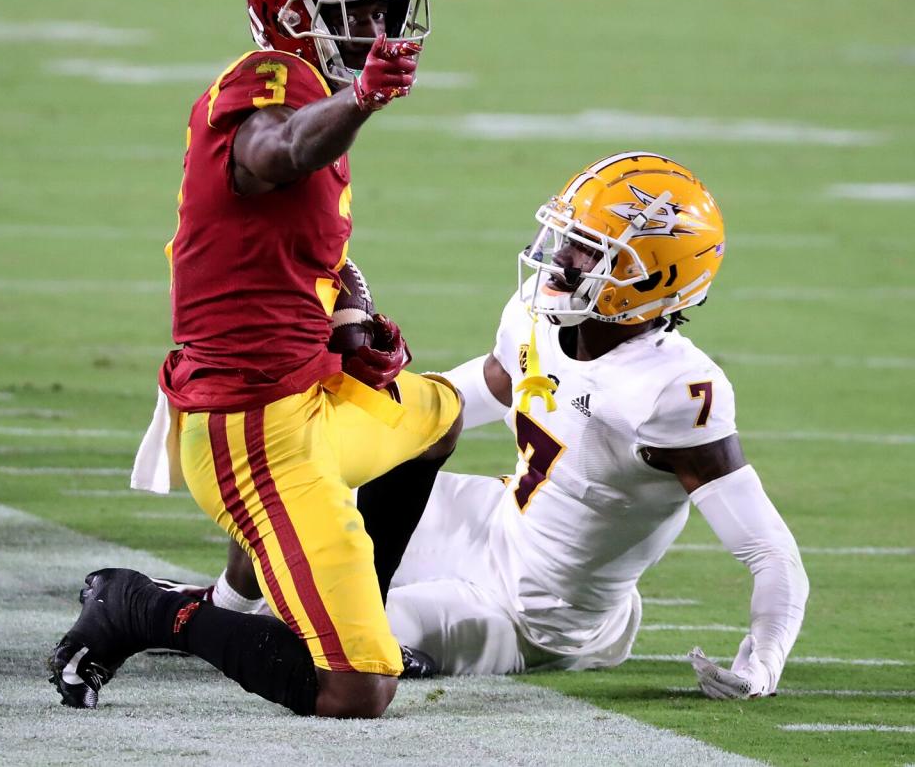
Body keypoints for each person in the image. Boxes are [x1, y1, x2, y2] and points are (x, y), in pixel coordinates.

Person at [176, 151, 809, 699]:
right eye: (568, 236)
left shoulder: (672, 390)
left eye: (590, 250)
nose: (560, 257)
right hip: (492, 526)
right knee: (307, 491)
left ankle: (151, 613)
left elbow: (770, 552)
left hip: (540, 615)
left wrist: (762, 663)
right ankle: (220, 606)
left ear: (651, 280)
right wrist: (367, 395)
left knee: (334, 637)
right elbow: (476, 391)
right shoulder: (539, 313)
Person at [48, 0, 463, 720]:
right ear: (296, 15)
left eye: (388, 8)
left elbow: (305, 247)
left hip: (309, 394)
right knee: (356, 689)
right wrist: (364, 102)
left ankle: (299, 612)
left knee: (438, 416)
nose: (379, 28)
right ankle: (141, 606)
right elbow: (277, 150)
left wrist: (353, 315)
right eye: (359, 10)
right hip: (252, 429)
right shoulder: (266, 79)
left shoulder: (314, 95)